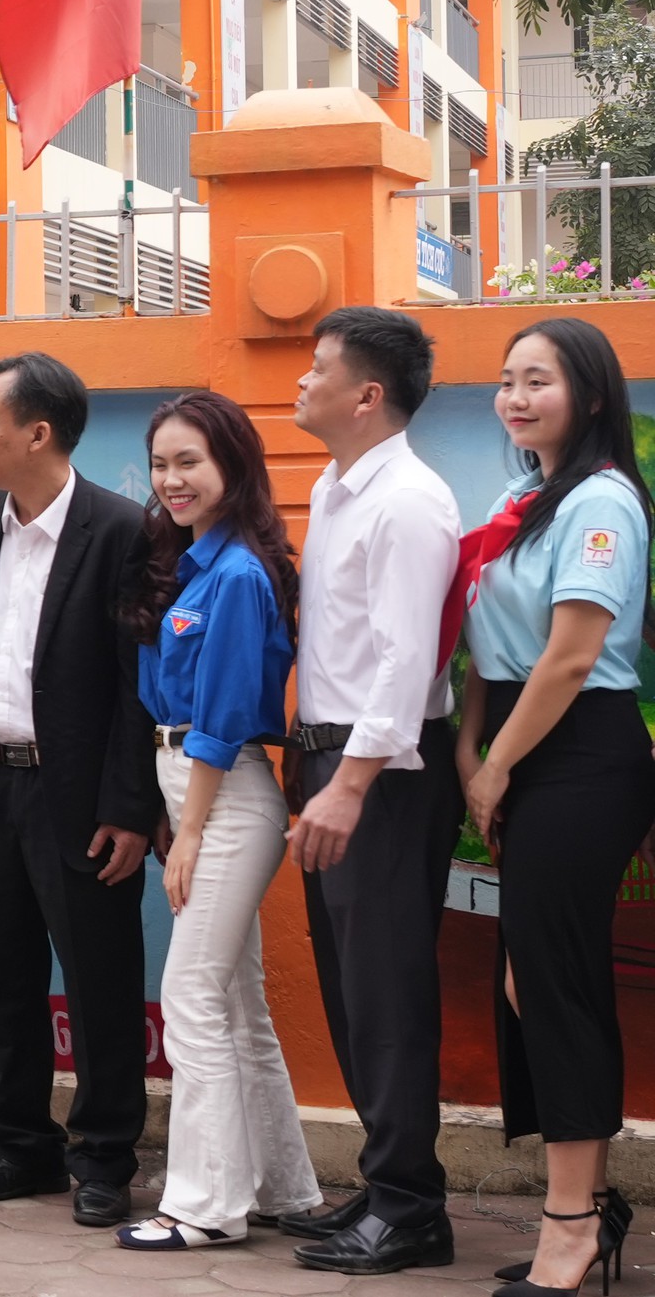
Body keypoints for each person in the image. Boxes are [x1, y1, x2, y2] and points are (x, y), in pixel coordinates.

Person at [0, 352, 158, 1228]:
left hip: (81, 795)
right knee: (2, 973)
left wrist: (130, 806)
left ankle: (104, 1157)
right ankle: (21, 1146)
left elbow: (139, 683)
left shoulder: (121, 529)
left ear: (39, 432)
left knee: (100, 981)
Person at [456, 318, 655, 1297]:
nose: (515, 397)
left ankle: (571, 1223)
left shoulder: (601, 503)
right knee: (528, 981)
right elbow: (488, 638)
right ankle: (590, 1205)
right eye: (507, 380)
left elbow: (572, 655)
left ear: (591, 393)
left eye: (538, 380)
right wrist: (472, 744)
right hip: (522, 746)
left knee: (554, 981)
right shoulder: (524, 498)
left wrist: (493, 767)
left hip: (578, 754)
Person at [279, 306, 463, 1277]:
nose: (301, 381)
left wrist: (348, 785)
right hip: (330, 760)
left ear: (367, 394)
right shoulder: (337, 485)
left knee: (386, 989)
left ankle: (411, 1209)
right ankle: (389, 1179)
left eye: (318, 368)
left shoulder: (408, 501)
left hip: (381, 775)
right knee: (353, 987)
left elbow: (404, 660)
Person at [113, 391, 320, 1250]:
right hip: (194, 791)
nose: (172, 480)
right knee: (234, 999)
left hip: (226, 795)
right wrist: (178, 815)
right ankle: (284, 1188)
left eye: (189, 461)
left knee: (191, 995)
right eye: (161, 464)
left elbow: (224, 716)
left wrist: (190, 828)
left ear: (233, 463)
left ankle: (203, 1206)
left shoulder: (236, 574)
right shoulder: (194, 562)